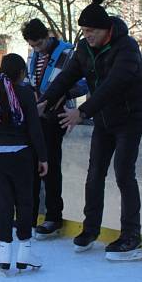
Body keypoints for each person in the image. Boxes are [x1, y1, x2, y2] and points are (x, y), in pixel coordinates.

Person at [39, 0, 142, 261]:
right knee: (94, 173)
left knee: (124, 173)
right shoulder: (84, 48)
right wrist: (45, 101)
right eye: (84, 31)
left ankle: (131, 237)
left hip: (130, 117)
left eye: (91, 31)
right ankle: (90, 229)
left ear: (106, 30)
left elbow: (115, 84)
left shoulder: (127, 48)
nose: (86, 35)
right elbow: (67, 77)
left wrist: (82, 112)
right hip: (104, 118)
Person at [22, 18, 88, 240]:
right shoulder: (35, 55)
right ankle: (29, 214)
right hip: (37, 114)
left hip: (56, 116)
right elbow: (32, 81)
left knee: (50, 163)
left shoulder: (68, 52)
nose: (36, 49)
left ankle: (53, 216)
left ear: (47, 36)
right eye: (32, 46)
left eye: (39, 44)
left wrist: (64, 95)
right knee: (32, 164)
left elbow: (84, 83)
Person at [0, 54, 48, 274]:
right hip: (21, 154)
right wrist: (42, 157)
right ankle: (24, 251)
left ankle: (3, 251)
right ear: (21, 73)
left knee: (5, 203)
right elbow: (34, 128)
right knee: (24, 202)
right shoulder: (25, 93)